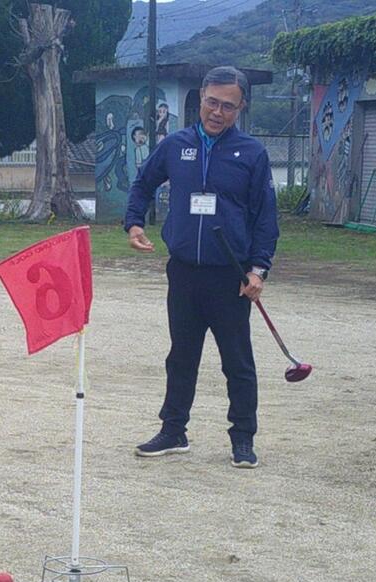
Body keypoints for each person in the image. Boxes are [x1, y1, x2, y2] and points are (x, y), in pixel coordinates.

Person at [124, 66, 279, 469]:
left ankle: (242, 438)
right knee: (181, 357)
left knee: (237, 362)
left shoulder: (252, 153)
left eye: (228, 106)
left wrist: (258, 270)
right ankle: (173, 431)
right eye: (212, 102)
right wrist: (134, 222)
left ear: (241, 108)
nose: (217, 112)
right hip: (184, 272)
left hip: (231, 276)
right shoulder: (176, 145)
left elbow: (265, 218)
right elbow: (142, 183)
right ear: (201, 99)